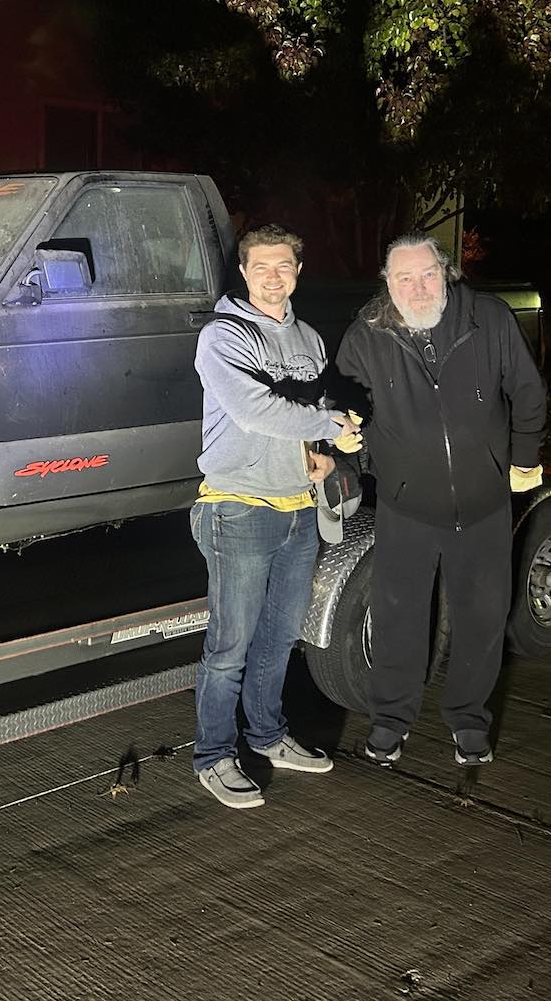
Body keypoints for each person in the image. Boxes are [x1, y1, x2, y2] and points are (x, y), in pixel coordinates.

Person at [336, 235, 546, 767]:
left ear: (445, 272)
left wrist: (523, 460)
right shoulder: (367, 336)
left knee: (482, 617)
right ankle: (390, 720)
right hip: (406, 506)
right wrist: (345, 447)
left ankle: (469, 720)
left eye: (427, 274)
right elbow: (342, 407)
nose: (418, 286)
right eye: (403, 277)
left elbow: (527, 390)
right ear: (387, 283)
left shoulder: (489, 319)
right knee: (398, 617)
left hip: (484, 503)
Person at [190, 223, 362, 809]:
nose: (272, 276)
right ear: (243, 271)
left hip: (297, 509)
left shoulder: (311, 339)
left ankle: (266, 737)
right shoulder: (223, 337)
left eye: (283, 265)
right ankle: (214, 755)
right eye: (260, 266)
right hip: (236, 506)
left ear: (298, 271)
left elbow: (313, 409)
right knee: (230, 644)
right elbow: (256, 411)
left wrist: (323, 451)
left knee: (280, 638)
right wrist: (327, 427)